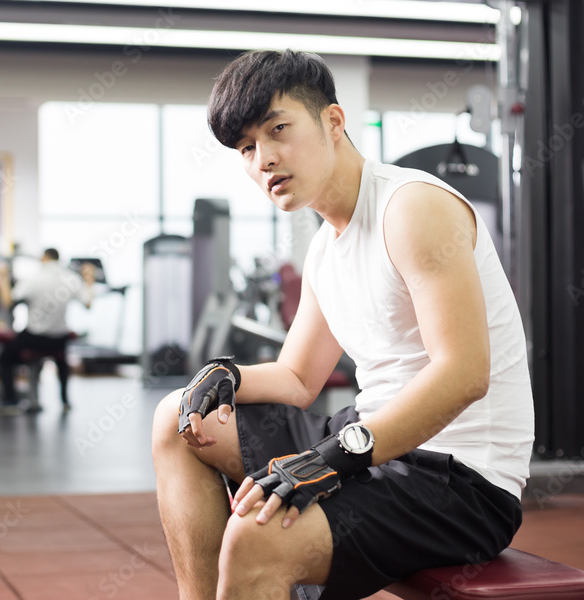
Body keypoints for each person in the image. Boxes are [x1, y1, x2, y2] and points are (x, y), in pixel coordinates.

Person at [152, 50, 534, 600]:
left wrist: (334, 458)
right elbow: (298, 378)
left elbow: (465, 372)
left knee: (255, 538)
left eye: (278, 129)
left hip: (459, 478)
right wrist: (224, 374)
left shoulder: (411, 208)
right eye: (247, 148)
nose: (264, 158)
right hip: (374, 443)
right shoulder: (326, 248)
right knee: (177, 417)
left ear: (333, 122)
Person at [0, 248, 94, 413]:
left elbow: (7, 302)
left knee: (4, 360)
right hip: (59, 339)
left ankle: (10, 402)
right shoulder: (71, 278)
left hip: (34, 337)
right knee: (61, 358)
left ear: (44, 257)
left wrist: (3, 276)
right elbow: (88, 303)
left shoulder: (34, 278)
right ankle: (65, 401)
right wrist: (89, 280)